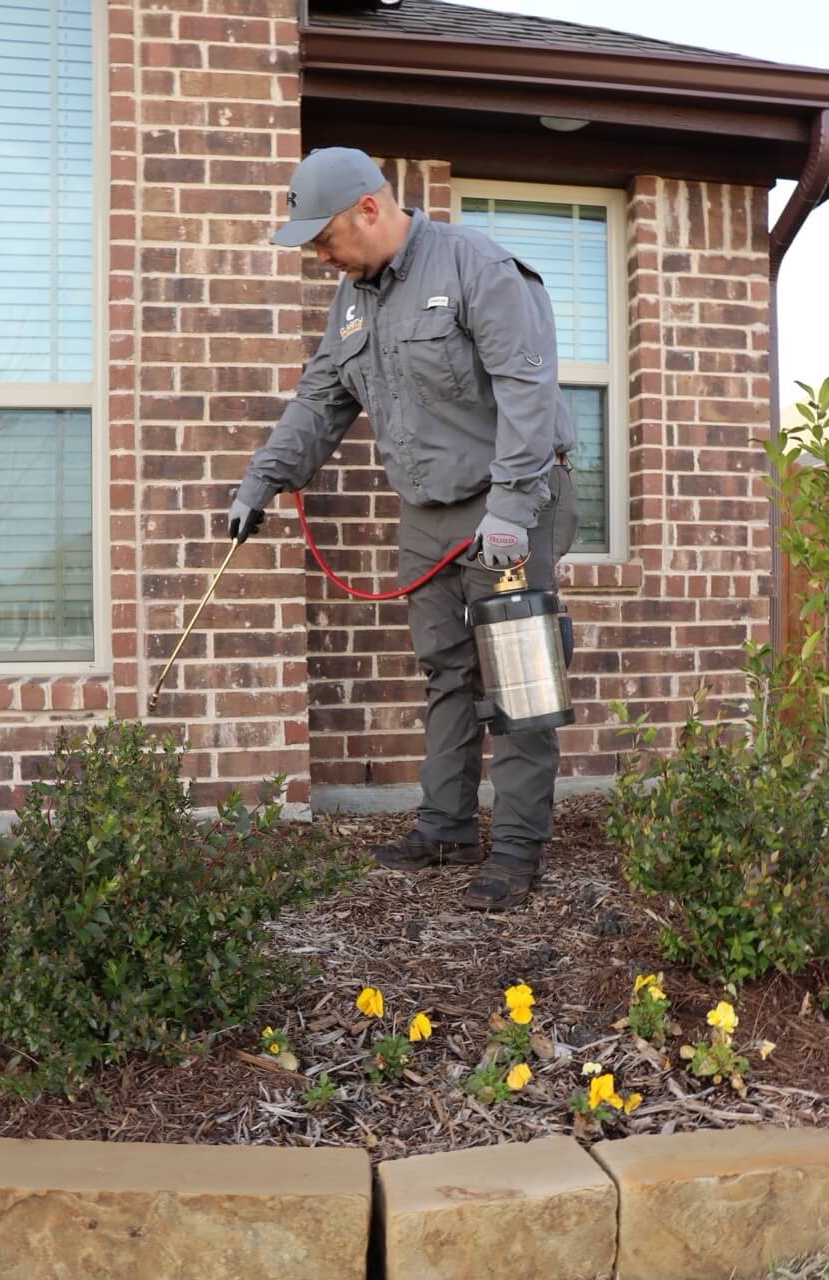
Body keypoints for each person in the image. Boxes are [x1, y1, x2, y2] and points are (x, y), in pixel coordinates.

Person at [228, 147, 579, 911]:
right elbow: (322, 398)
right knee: (445, 670)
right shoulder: (353, 298)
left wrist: (514, 508)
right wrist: (264, 480)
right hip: (427, 510)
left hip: (512, 498)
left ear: (370, 209)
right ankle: (446, 824)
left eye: (324, 238)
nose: (320, 256)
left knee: (517, 676)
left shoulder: (476, 268)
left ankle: (517, 851)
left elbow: (527, 387)